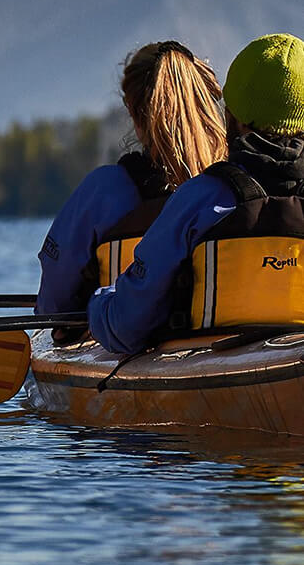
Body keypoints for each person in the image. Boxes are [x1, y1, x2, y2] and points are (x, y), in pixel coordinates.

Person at [88, 33, 304, 354]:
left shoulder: (199, 198)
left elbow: (124, 328)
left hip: (213, 361)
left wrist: (99, 304)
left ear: (230, 116)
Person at [35, 41, 226, 341]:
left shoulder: (102, 191)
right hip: (218, 339)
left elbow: (52, 307)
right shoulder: (230, 189)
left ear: (136, 116)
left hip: (118, 337)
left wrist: (70, 320)